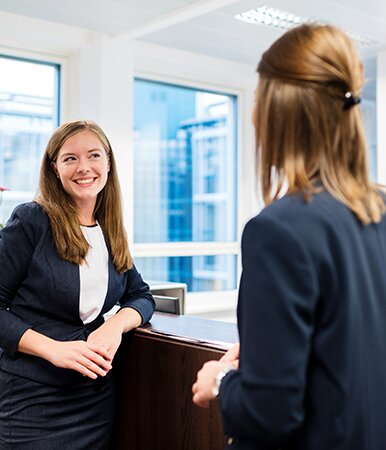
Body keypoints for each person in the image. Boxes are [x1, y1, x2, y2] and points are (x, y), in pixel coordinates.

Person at [192, 24, 386, 450]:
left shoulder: (278, 231)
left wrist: (221, 381)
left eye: (259, 98)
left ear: (280, 112)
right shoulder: (379, 209)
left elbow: (271, 411)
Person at [0, 120, 155, 448]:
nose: (84, 167)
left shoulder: (109, 229)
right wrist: (53, 349)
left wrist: (113, 327)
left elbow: (140, 296)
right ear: (55, 168)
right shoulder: (33, 220)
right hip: (32, 398)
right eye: (70, 158)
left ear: (108, 163)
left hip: (93, 397)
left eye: (93, 155)